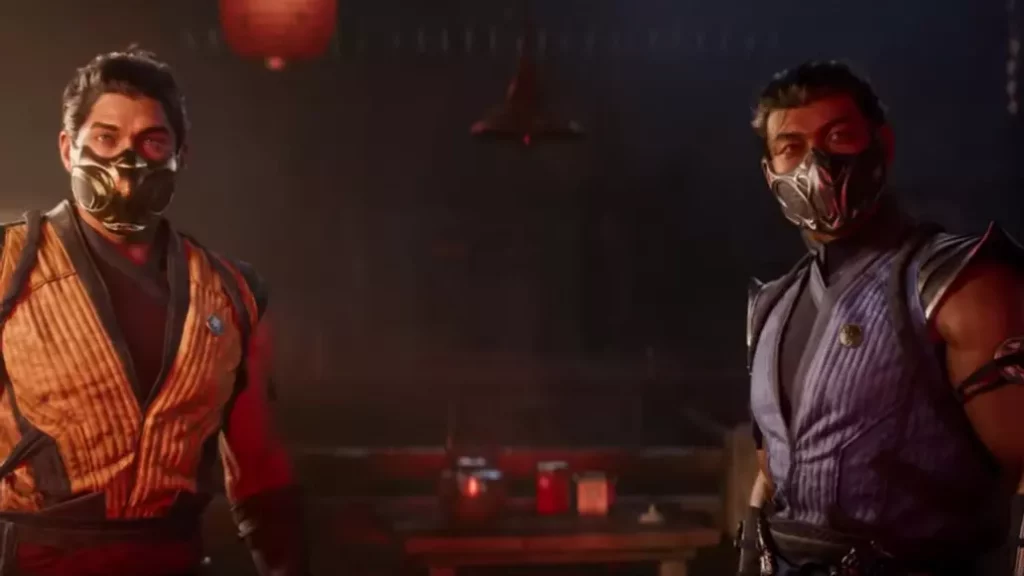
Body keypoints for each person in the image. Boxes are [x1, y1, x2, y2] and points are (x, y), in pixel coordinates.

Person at [0, 48, 308, 575]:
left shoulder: (231, 293)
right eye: (106, 137)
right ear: (68, 149)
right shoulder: (10, 267)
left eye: (152, 141)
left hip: (171, 558)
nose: (128, 159)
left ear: (180, 154)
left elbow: (259, 466)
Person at [736, 60, 1024, 575]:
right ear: (770, 171)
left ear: (881, 145)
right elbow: (775, 479)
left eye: (838, 135)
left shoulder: (958, 284)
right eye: (791, 147)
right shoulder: (772, 308)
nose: (815, 163)